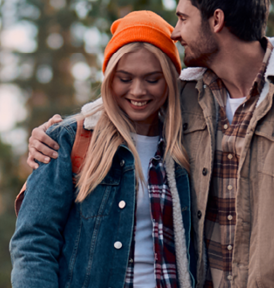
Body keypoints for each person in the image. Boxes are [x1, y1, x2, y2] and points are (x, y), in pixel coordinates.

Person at [26, 0, 274, 287]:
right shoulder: (188, 96)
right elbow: (116, 109)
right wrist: (53, 136)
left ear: (216, 21)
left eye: (183, 18)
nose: (175, 31)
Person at [10, 11, 201, 288]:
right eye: (125, 78)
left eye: (152, 79)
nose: (138, 91)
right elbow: (34, 243)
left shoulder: (187, 145)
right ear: (109, 79)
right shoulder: (66, 140)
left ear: (171, 80)